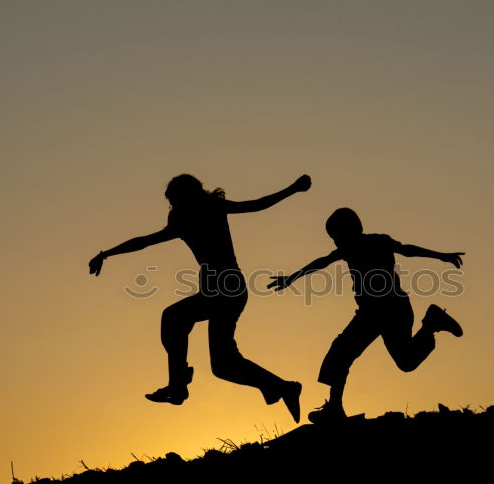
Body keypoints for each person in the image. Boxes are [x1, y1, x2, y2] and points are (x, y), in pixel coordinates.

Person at [89, 173, 310, 422]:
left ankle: (180, 384)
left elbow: (256, 205)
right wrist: (107, 253)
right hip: (217, 291)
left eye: (176, 200)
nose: (173, 206)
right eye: (172, 202)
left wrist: (292, 188)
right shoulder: (182, 219)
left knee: (181, 325)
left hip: (227, 289)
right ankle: (280, 387)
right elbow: (146, 241)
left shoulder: (212, 207)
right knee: (218, 361)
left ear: (189, 195)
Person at [268, 207, 463, 423]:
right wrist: (442, 256)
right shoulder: (366, 243)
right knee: (392, 360)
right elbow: (406, 250)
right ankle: (430, 324)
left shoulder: (360, 244)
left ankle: (334, 408)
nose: (335, 243)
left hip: (384, 311)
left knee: (348, 354)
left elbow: (407, 250)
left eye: (335, 237)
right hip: (386, 310)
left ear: (349, 231)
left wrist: (292, 278)